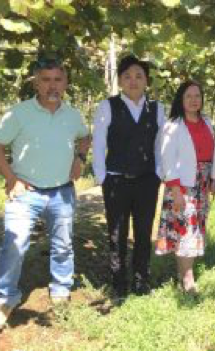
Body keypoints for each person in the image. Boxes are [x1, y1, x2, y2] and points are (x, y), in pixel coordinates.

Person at [0, 58, 90, 331]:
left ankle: (60, 291)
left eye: (58, 79)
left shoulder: (73, 114)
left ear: (65, 83)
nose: (52, 85)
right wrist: (11, 178)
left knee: (63, 244)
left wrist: (80, 157)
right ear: (36, 82)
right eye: (46, 80)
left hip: (62, 192)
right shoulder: (19, 113)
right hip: (26, 191)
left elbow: (85, 136)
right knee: (14, 244)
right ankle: (5, 300)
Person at [92, 55, 164, 297]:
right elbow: (99, 143)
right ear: (120, 80)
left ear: (147, 81)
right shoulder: (107, 106)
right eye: (127, 76)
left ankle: (141, 280)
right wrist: (102, 177)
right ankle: (118, 281)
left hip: (147, 181)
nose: (133, 81)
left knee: (144, 232)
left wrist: (159, 174)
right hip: (116, 180)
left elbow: (160, 145)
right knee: (117, 232)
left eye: (138, 76)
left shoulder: (157, 109)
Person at [156, 81, 215, 294]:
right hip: (182, 186)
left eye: (197, 96)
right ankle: (188, 278)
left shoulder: (207, 122)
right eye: (189, 96)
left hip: (201, 184)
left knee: (194, 230)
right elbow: (167, 159)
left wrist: (213, 177)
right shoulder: (173, 125)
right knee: (186, 231)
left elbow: (214, 153)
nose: (194, 100)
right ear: (181, 100)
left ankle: (182, 272)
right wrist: (175, 191)